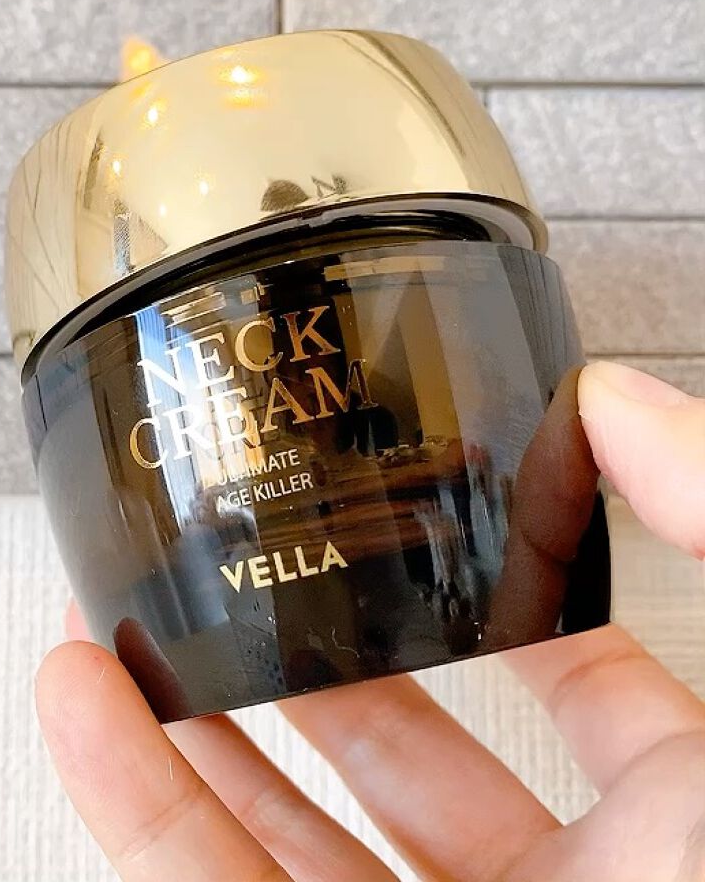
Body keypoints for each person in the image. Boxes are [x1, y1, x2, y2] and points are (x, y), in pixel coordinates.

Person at [36, 362, 705, 882]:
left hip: (405, 597)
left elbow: (449, 473)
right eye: (287, 389)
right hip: (290, 625)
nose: (299, 397)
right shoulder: (254, 466)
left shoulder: (383, 426)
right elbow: (220, 528)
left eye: (311, 384)